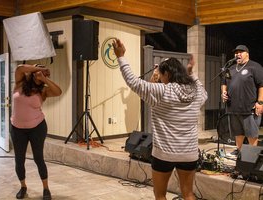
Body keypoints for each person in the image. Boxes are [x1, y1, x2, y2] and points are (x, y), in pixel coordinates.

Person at [112, 39, 207, 200]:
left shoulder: (161, 91)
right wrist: (191, 72)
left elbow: (133, 82)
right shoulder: (196, 92)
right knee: (188, 194)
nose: (160, 77)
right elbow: (203, 91)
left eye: (161, 74)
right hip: (189, 154)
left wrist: (121, 56)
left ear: (167, 74)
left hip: (164, 154)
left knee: (160, 194)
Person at [10, 63, 62, 200]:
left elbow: (58, 91)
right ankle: (23, 187)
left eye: (42, 71)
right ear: (32, 71)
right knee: (19, 160)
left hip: (37, 128)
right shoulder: (20, 82)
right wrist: (39, 69)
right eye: (36, 69)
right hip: (17, 128)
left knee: (38, 158)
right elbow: (20, 68)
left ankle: (46, 189)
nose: (39, 72)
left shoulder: (43, 91)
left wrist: (44, 79)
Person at [221, 45, 263, 155]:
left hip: (249, 108)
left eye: (241, 52)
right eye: (236, 52)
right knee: (238, 132)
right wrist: (223, 92)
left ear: (247, 54)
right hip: (233, 108)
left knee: (251, 133)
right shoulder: (231, 68)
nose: (237, 54)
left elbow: (261, 85)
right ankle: (240, 153)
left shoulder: (255, 67)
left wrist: (260, 102)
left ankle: (253, 156)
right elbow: (224, 83)